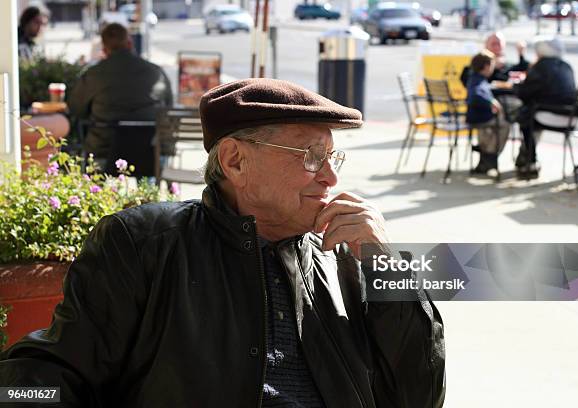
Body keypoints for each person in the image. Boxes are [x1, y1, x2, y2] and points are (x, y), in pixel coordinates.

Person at [0, 78, 446, 407]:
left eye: (332, 158)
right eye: (311, 157)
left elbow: (420, 394)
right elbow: (46, 374)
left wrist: (389, 267)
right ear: (235, 161)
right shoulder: (145, 244)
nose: (331, 177)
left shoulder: (344, 258)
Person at [68, 23, 173, 172]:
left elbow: (76, 109)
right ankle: (149, 194)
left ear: (104, 49)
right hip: (151, 152)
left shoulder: (93, 74)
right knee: (151, 164)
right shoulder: (156, 72)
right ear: (130, 44)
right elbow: (168, 108)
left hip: (103, 151)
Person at [513, 36, 577, 178]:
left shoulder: (540, 67)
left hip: (550, 115)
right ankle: (526, 158)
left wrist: (515, 86)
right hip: (572, 117)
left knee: (525, 118)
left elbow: (525, 93)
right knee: (531, 116)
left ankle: (529, 161)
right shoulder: (566, 66)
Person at [466, 50, 510, 174]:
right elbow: (476, 94)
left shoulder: (476, 78)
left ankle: (486, 156)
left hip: (478, 116)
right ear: (486, 67)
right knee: (505, 125)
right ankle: (490, 155)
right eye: (491, 65)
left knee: (492, 128)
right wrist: (491, 101)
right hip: (480, 117)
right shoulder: (478, 80)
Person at [460, 31, 530, 86]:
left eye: (499, 44)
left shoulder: (507, 65)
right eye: (493, 44)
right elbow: (466, 79)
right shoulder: (477, 64)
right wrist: (490, 67)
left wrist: (521, 54)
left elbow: (525, 69)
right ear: (486, 45)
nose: (496, 47)